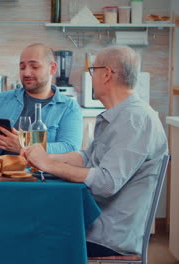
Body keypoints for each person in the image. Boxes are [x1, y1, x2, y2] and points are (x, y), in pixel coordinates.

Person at [23, 45, 168, 256]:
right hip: (95, 222)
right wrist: (45, 157)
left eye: (93, 71)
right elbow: (87, 157)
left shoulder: (135, 120)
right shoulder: (117, 116)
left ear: (107, 75)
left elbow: (106, 182)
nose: (91, 77)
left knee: (28, 238)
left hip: (107, 235)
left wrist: (49, 165)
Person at [0, 43, 82, 157]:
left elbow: (70, 148)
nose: (26, 73)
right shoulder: (1, 99)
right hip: (0, 173)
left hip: (43, 174)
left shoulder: (69, 107)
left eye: (34, 67)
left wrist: (25, 146)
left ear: (52, 68)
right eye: (22, 67)